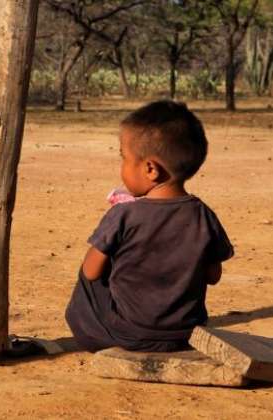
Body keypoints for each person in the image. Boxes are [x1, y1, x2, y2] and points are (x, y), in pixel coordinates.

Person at [65, 100, 234, 353]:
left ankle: (97, 338)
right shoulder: (204, 215)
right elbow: (213, 276)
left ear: (150, 169)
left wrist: (109, 242)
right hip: (185, 335)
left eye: (123, 157)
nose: (121, 166)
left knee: (91, 272)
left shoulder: (123, 215)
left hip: (128, 334)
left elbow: (91, 272)